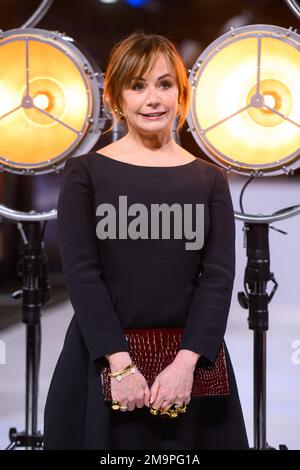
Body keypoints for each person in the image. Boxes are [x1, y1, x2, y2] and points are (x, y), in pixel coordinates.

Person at [43, 31, 249, 450]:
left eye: (164, 84)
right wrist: (120, 367)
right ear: (116, 97)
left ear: (181, 92)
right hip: (101, 363)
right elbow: (82, 276)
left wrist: (186, 365)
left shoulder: (209, 179)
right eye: (137, 86)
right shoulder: (85, 175)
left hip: (191, 369)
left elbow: (218, 277)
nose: (152, 98)